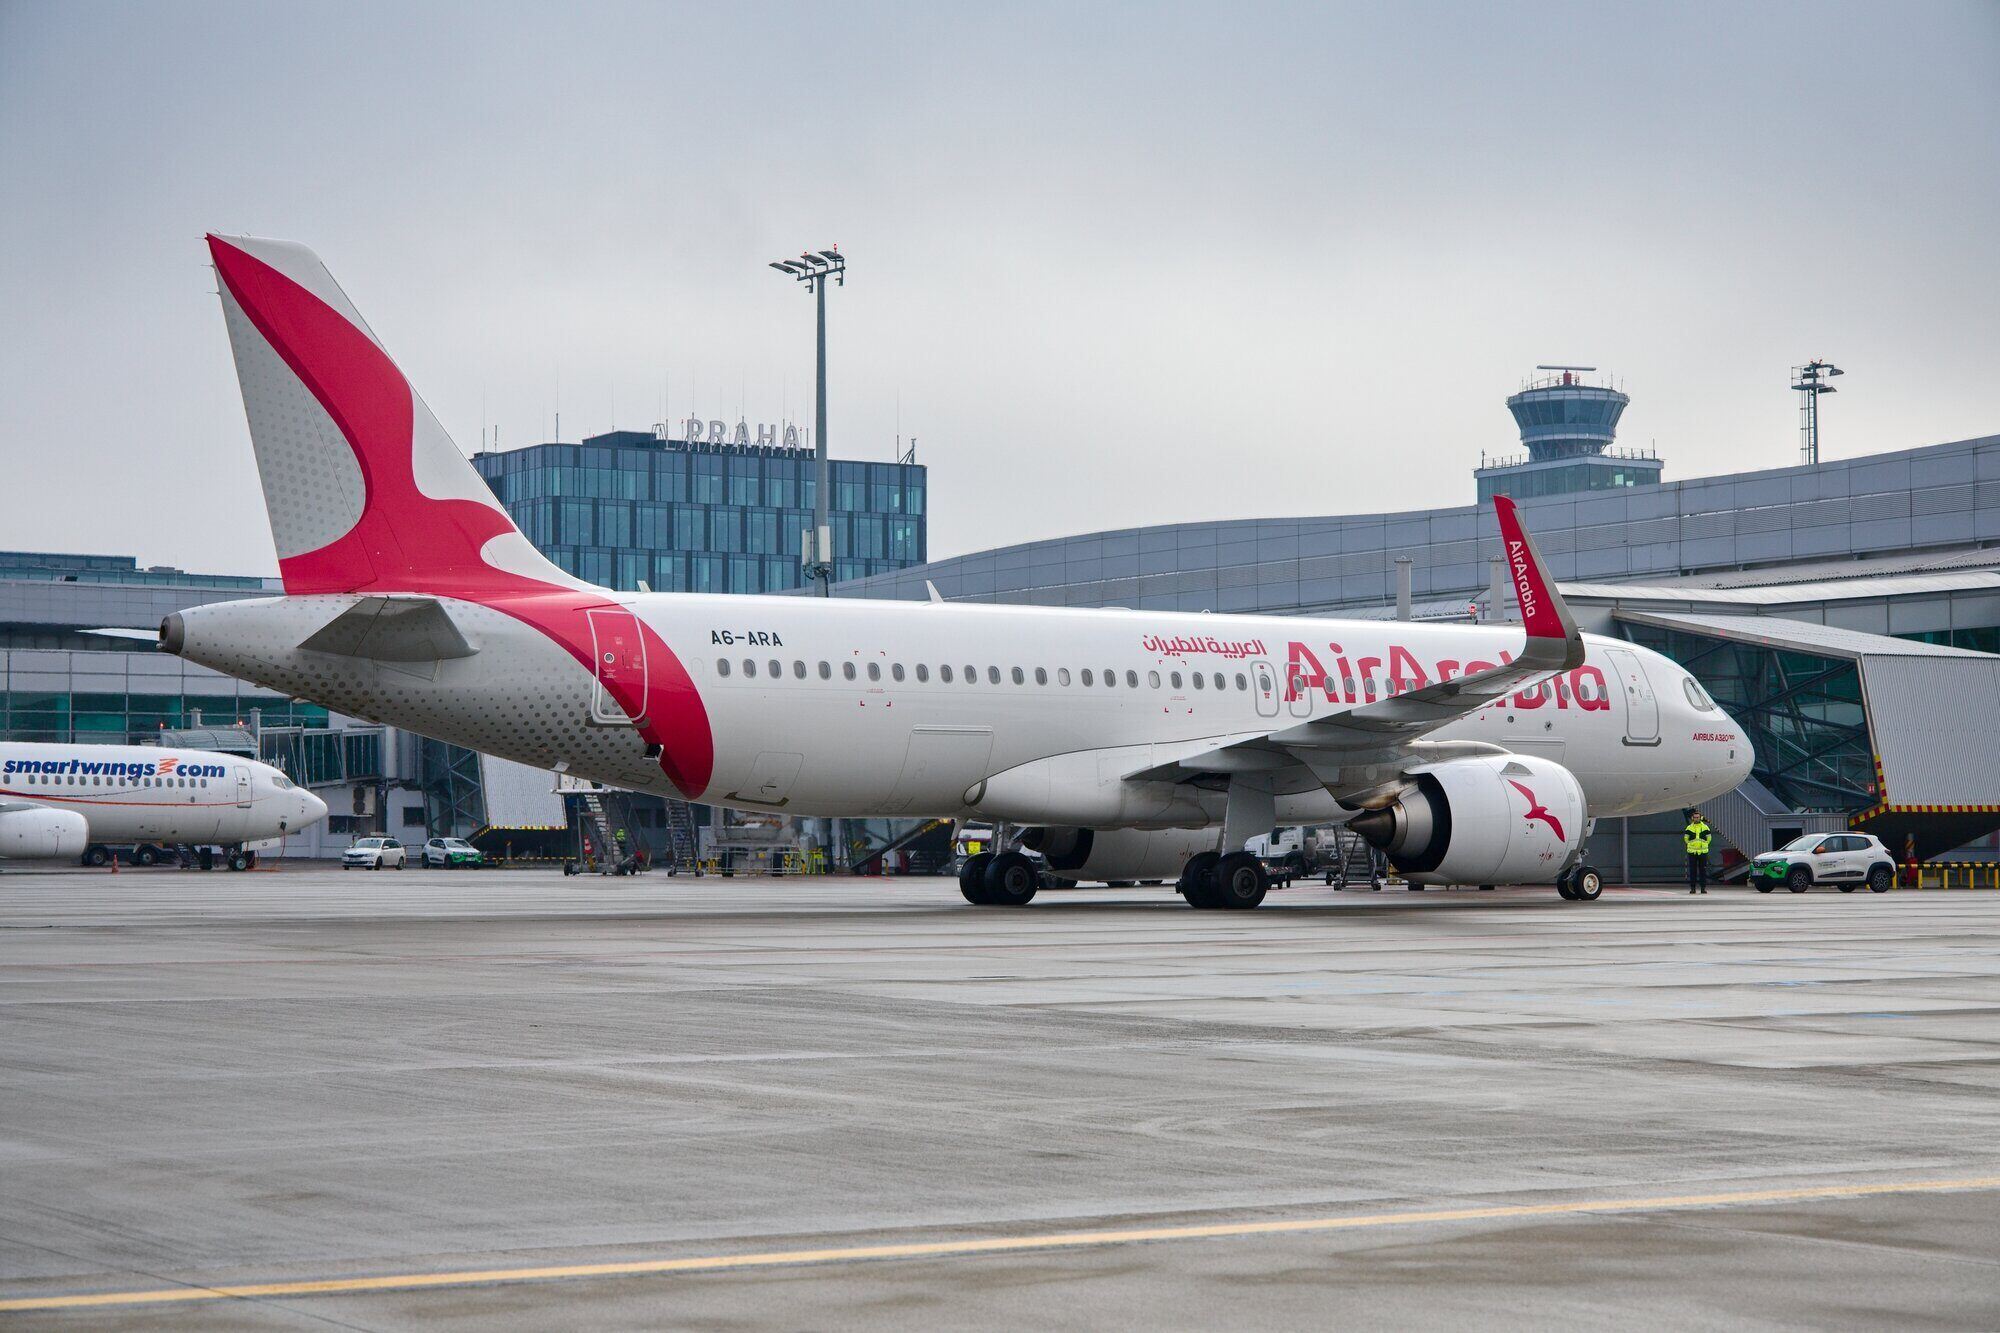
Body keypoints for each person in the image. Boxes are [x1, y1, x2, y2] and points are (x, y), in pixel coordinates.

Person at [1683, 809, 1713, 894]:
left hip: (1703, 852)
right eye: (1695, 817)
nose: (1696, 819)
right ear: (1692, 818)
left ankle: (1703, 888)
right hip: (1692, 852)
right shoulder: (1689, 828)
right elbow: (1686, 838)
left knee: (1703, 870)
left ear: (1700, 818)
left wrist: (1704, 844)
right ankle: (1693, 888)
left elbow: (1709, 838)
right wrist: (1690, 844)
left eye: (1698, 817)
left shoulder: (1705, 827)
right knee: (1693, 871)